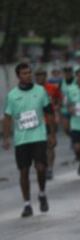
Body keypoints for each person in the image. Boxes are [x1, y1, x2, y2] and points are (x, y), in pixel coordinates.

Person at [2, 63, 56, 217]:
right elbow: (7, 117)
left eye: (29, 72)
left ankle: (42, 193)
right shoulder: (12, 95)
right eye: (24, 73)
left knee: (40, 168)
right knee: (24, 171)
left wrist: (51, 134)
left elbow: (49, 113)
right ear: (18, 76)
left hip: (38, 136)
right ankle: (27, 204)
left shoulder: (40, 91)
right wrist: (6, 137)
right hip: (21, 139)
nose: (28, 75)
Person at [34, 68, 62, 180]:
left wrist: (56, 108)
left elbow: (59, 100)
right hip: (37, 122)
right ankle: (42, 166)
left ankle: (49, 168)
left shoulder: (52, 88)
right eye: (37, 75)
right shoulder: (33, 90)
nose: (39, 77)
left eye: (41, 75)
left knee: (50, 146)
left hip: (50, 121)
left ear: (45, 76)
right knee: (39, 147)